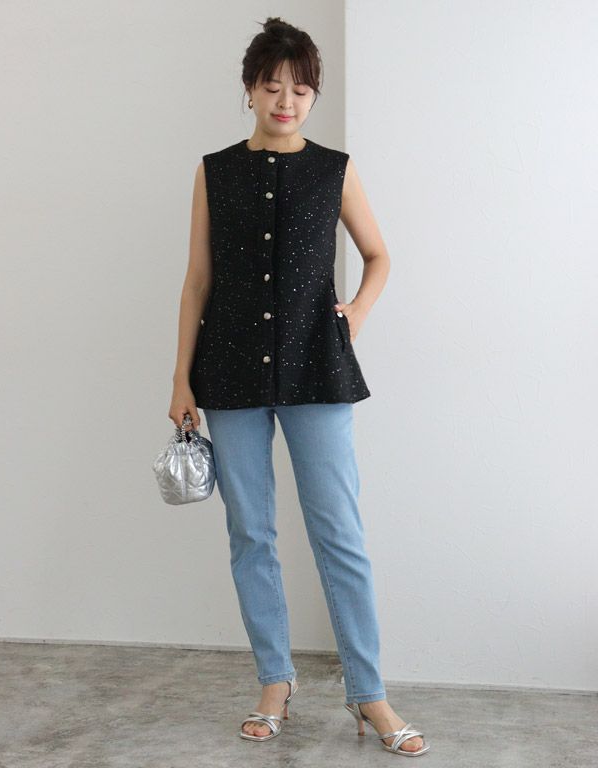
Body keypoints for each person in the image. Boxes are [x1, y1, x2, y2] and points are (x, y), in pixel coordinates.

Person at [168, 16, 430, 757]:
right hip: (228, 369)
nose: (286, 100)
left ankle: (368, 693)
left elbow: (378, 257)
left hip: (317, 366)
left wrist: (355, 317)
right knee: (251, 533)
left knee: (339, 533)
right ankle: (274, 682)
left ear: (314, 95)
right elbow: (197, 281)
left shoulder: (334, 169)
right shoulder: (215, 171)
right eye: (272, 86)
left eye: (300, 88)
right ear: (250, 89)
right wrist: (180, 376)